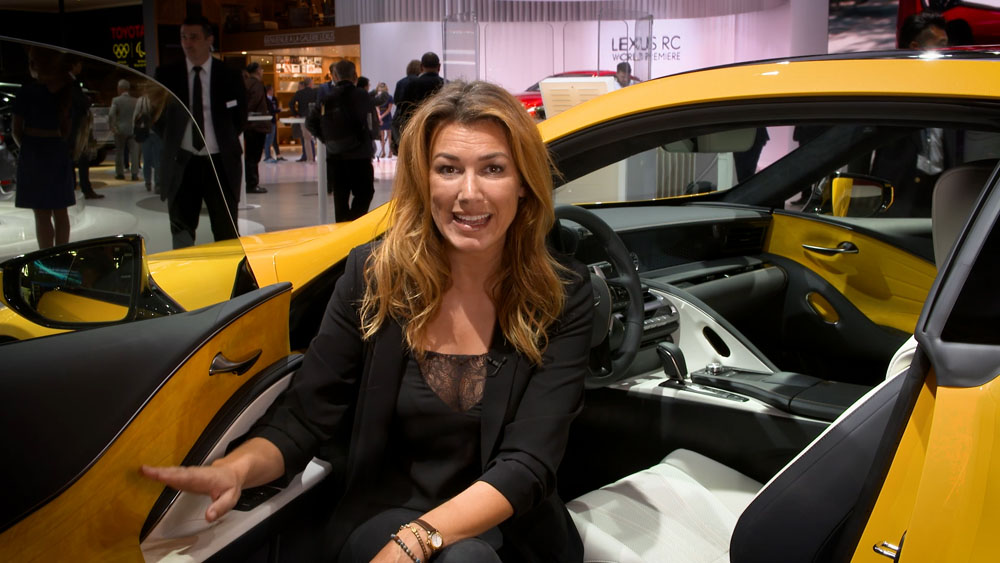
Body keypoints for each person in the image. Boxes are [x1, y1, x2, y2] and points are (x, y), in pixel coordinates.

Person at [141, 79, 592, 563]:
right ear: (424, 179)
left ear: (523, 183)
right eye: (448, 169)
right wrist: (237, 469)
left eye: (493, 169)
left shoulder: (560, 295)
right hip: (385, 512)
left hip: (509, 524)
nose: (468, 192)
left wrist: (417, 541)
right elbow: (305, 416)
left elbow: (527, 463)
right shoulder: (375, 277)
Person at [154, 16, 247, 248]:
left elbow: (239, 118)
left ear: (209, 40)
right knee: (181, 232)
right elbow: (157, 118)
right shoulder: (167, 74)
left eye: (193, 37)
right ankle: (185, 279)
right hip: (182, 162)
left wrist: (222, 141)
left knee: (226, 231)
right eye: (183, 37)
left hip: (220, 162)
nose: (187, 43)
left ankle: (228, 278)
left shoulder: (229, 74)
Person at [872, 11, 951, 217]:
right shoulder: (890, 87)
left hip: (942, 186)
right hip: (899, 189)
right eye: (941, 45)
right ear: (916, 47)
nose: (948, 51)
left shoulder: (951, 84)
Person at [12, 46, 88, 249]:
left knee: (41, 213)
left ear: (36, 65)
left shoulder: (26, 92)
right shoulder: (66, 91)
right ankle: (62, 255)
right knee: (60, 211)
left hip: (33, 153)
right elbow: (67, 129)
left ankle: (46, 259)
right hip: (56, 151)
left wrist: (28, 148)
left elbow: (16, 130)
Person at [310, 59, 376, 222]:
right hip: (360, 155)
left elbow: (311, 122)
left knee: (340, 198)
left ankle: (343, 230)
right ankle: (354, 224)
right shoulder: (362, 96)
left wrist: (326, 139)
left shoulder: (327, 97)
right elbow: (371, 123)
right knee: (365, 193)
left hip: (336, 157)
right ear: (355, 75)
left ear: (334, 75)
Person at [392, 52, 444, 155]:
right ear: (439, 67)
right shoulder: (445, 84)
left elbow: (404, 110)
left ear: (421, 67)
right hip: (440, 133)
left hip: (417, 133)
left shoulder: (411, 85)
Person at [243, 62, 270, 194]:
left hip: (249, 125)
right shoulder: (257, 84)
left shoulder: (246, 83)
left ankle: (250, 182)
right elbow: (255, 101)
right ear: (258, 71)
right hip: (257, 125)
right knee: (254, 156)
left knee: (250, 156)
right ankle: (252, 184)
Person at [109, 78, 140, 180]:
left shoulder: (116, 100)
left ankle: (120, 174)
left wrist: (112, 126)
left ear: (120, 88)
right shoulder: (135, 101)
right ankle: (134, 174)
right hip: (133, 130)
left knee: (119, 152)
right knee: (134, 152)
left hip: (120, 130)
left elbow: (111, 114)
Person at [134, 82, 162, 193]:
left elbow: (135, 116)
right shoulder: (158, 100)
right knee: (158, 159)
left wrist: (135, 131)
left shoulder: (141, 101)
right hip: (157, 133)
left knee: (146, 159)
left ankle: (148, 182)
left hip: (145, 133)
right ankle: (158, 184)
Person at [390, 59, 421, 155]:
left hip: (399, 118)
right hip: (414, 117)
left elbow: (396, 100)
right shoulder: (419, 81)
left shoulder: (400, 82)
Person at [291, 77, 317, 161]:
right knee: (314, 138)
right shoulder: (315, 92)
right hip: (313, 117)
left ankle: (310, 158)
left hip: (303, 117)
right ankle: (313, 157)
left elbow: (291, 104)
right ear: (310, 83)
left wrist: (296, 113)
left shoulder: (299, 93)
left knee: (307, 138)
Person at [263, 84, 285, 162]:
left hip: (273, 121)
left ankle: (277, 155)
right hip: (267, 121)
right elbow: (271, 110)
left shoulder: (274, 99)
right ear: (269, 91)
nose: (273, 91)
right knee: (268, 139)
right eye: (272, 90)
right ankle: (267, 156)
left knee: (273, 139)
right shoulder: (265, 100)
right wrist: (278, 110)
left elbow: (275, 108)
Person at [373, 81, 393, 158]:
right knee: (381, 135)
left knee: (389, 135)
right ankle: (383, 152)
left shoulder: (390, 97)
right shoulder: (377, 98)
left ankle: (390, 152)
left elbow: (389, 109)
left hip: (387, 117)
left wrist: (381, 116)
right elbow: (377, 107)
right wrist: (379, 116)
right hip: (380, 117)